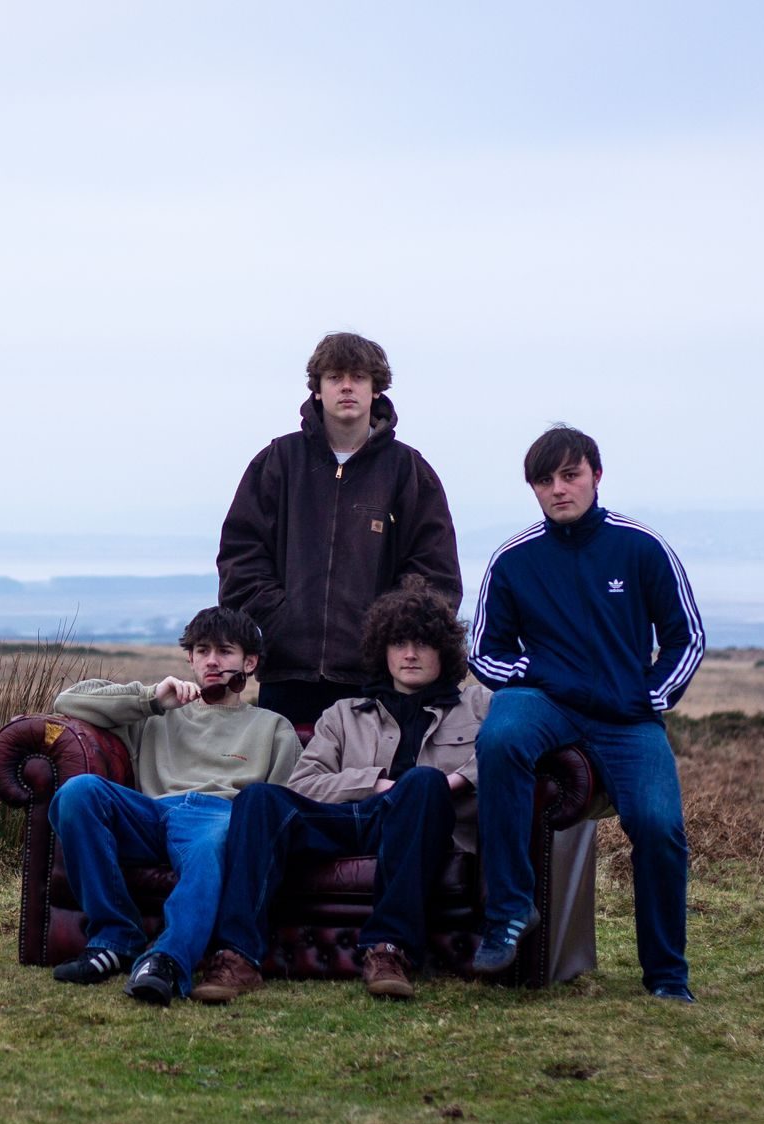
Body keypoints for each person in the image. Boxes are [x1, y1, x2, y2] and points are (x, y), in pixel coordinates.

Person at [466, 425, 705, 1002]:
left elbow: (686, 637)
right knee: (499, 738)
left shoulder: (641, 547)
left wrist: (649, 697)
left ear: (596, 476)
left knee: (658, 827)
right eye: (544, 481)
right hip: (544, 701)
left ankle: (667, 977)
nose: (558, 489)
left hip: (627, 716)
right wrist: (529, 675)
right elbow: (482, 651)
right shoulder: (513, 559)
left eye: (570, 475)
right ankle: (508, 912)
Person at [190, 575, 487, 1003]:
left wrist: (452, 782)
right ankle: (237, 956)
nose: (409, 654)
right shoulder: (344, 714)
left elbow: (504, 756)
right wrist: (376, 783)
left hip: (424, 824)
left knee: (422, 784)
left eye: (422, 643)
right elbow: (306, 782)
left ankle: (389, 950)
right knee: (259, 798)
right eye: (398, 642)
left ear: (444, 650)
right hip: (353, 819)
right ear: (381, 649)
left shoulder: (479, 707)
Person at [47, 606, 303, 1005]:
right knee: (78, 793)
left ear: (249, 662)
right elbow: (68, 701)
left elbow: (279, 806)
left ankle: (167, 960)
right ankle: (115, 937)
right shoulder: (159, 712)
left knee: (210, 844)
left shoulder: (273, 727)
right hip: (151, 813)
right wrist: (151, 698)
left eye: (225, 651)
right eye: (202, 651)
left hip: (220, 817)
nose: (212, 661)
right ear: (190, 658)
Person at [217, 332, 462, 726]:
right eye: (334, 377)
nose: (346, 386)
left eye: (359, 377)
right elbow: (239, 558)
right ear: (317, 390)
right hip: (287, 677)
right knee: (284, 786)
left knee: (372, 787)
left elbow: (435, 576)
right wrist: (282, 620)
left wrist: (385, 632)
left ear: (376, 388)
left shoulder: (409, 472)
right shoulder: (278, 462)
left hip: (377, 683)